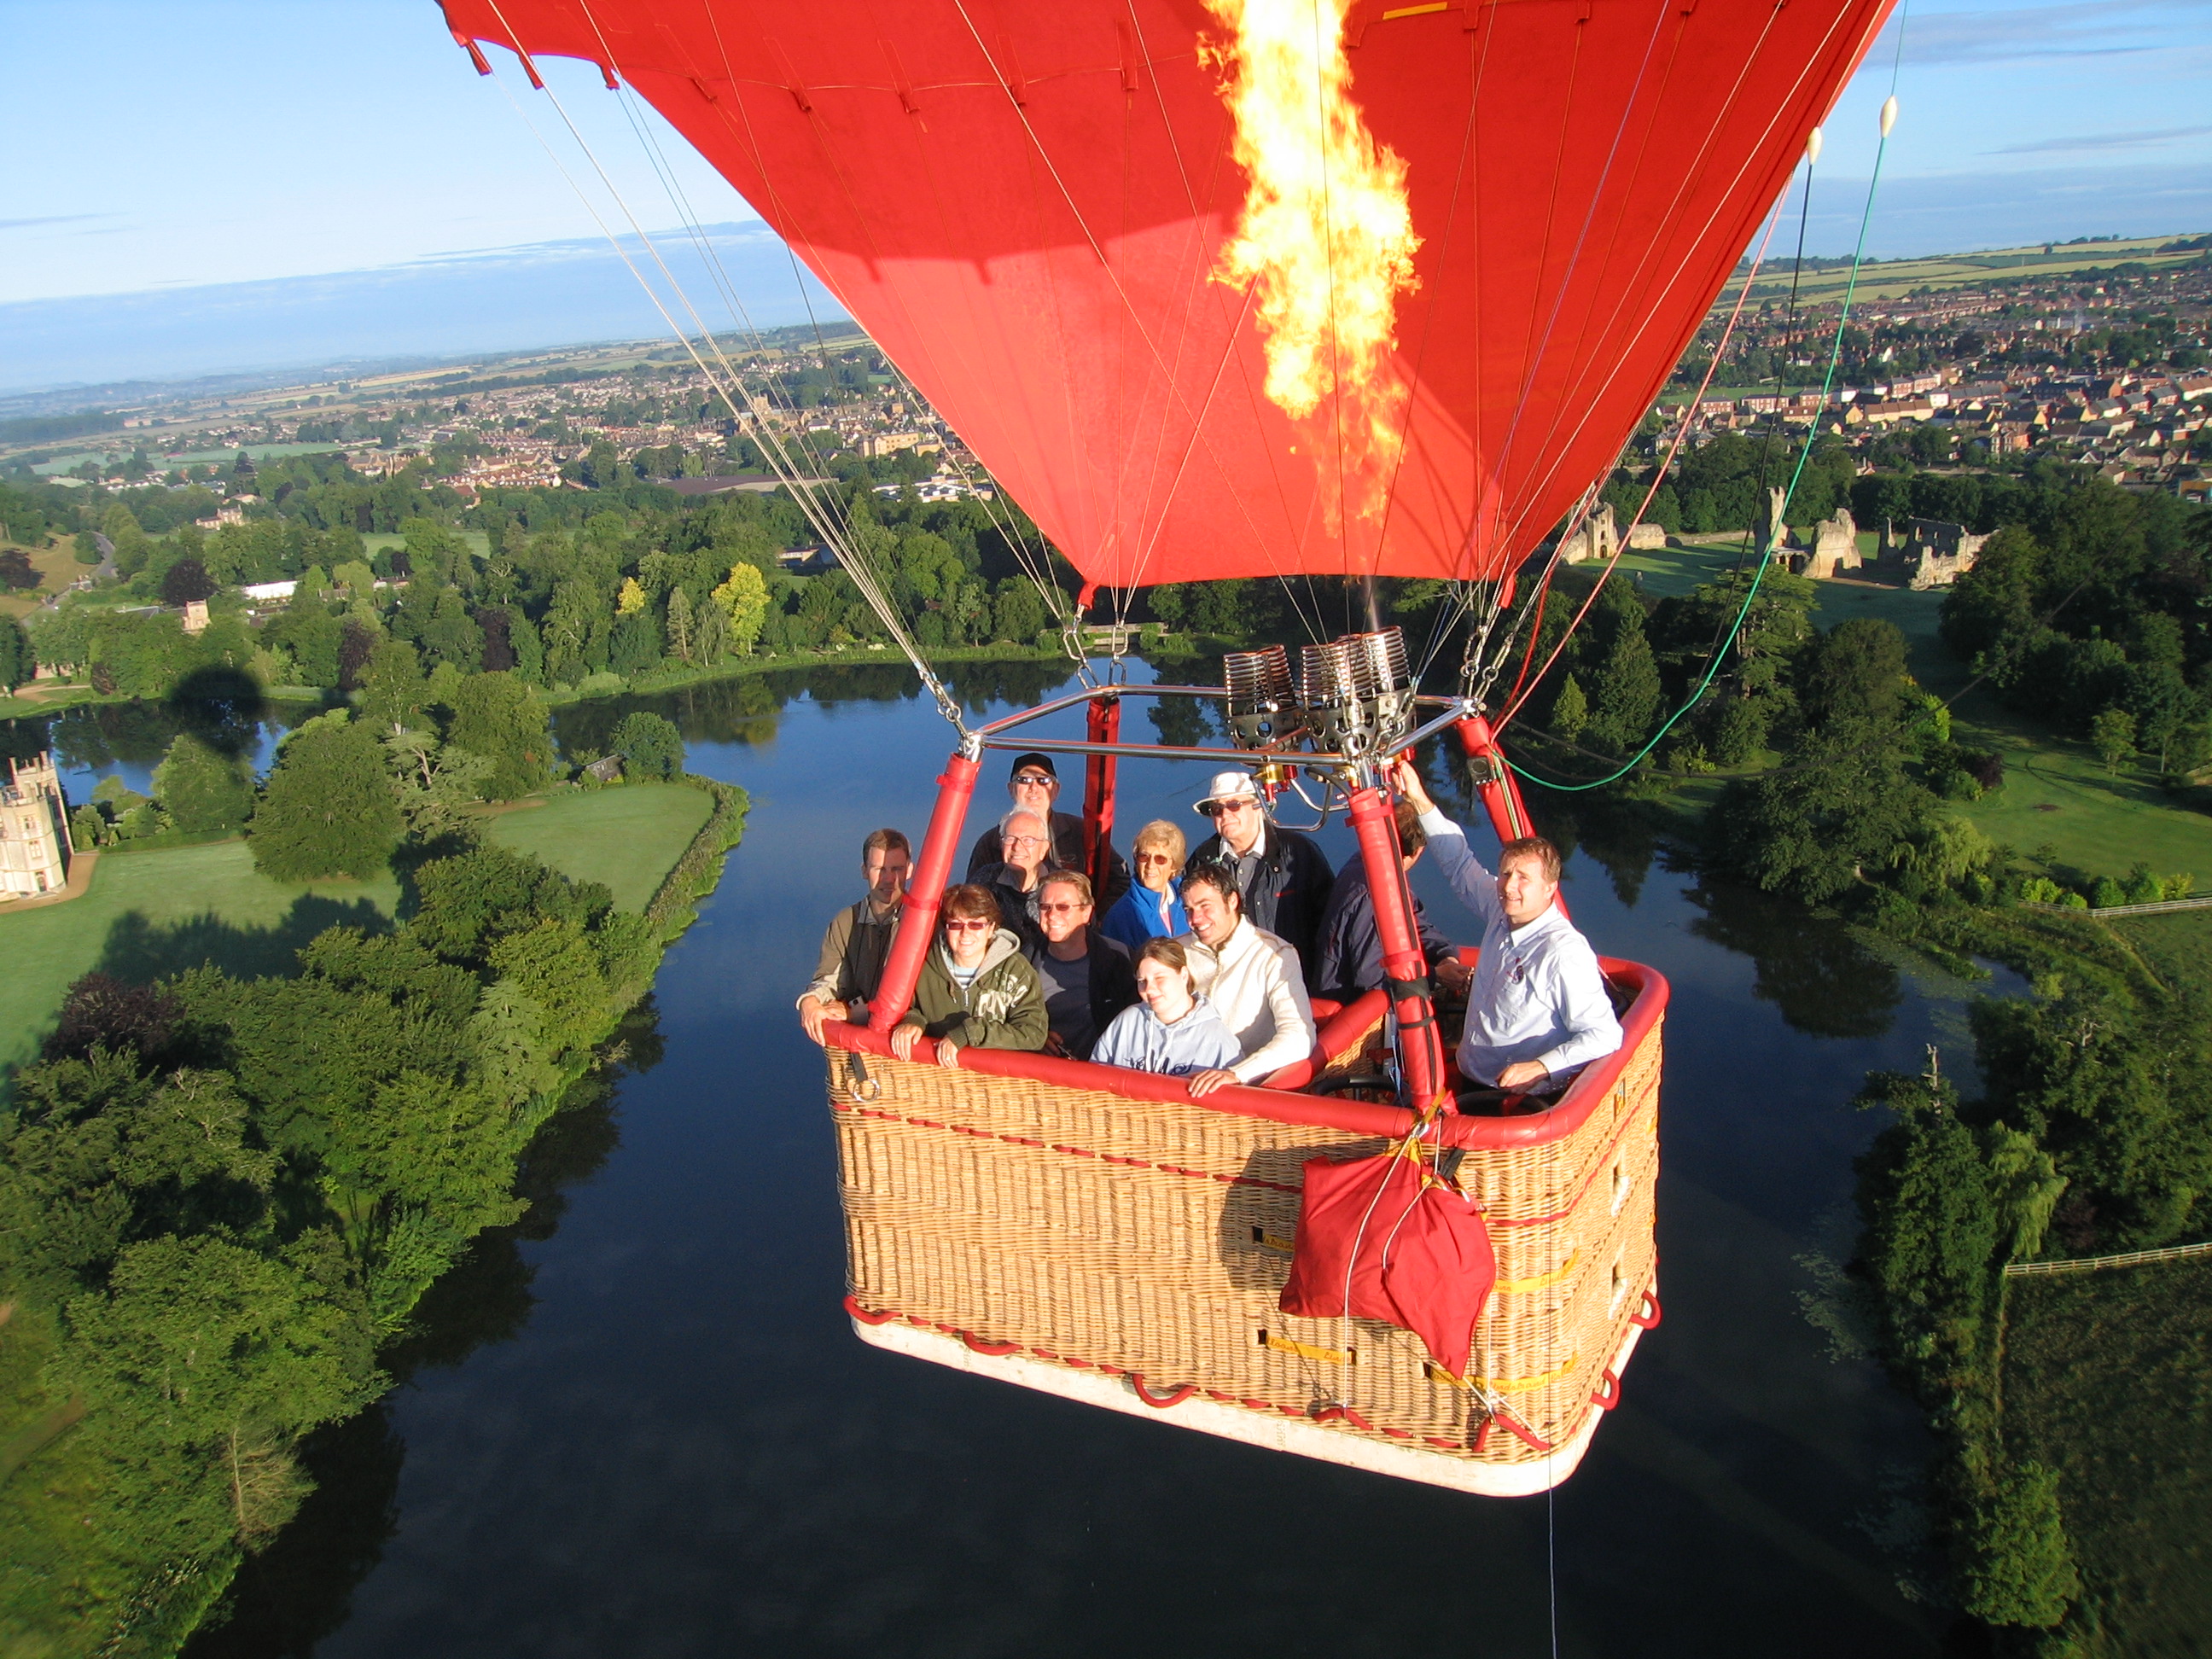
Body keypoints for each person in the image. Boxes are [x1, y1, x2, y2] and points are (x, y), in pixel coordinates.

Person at [1391, 760, 1621, 1097]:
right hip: (1474, 1078)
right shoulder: (1503, 912)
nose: (1509, 886)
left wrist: (1542, 1065)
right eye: (1507, 873)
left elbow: (1605, 1035)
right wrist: (1419, 800)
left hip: (1515, 1096)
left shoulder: (1563, 953)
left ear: (1550, 888)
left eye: (1524, 878)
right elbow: (1459, 863)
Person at [1312, 798, 1475, 1006]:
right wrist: (1435, 975)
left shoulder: (1370, 866)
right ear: (1419, 850)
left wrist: (1445, 955)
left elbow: (1412, 923)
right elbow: (1369, 974)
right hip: (1349, 1006)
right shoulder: (1373, 893)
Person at [1176, 863, 1317, 1097]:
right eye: (1188, 909)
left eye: (1204, 907)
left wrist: (1237, 1073)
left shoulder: (1275, 955)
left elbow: (1300, 1036)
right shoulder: (1176, 951)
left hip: (1243, 1093)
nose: (1195, 919)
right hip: (1178, 1085)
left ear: (1232, 901)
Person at [1186, 771, 1335, 981]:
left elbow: (1330, 926)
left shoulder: (1298, 853)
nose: (1225, 814)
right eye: (1217, 809)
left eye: (1234, 805)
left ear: (1259, 807)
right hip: (1227, 989)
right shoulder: (1201, 861)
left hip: (1293, 981)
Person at [890, 884, 1049, 1067]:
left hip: (998, 1081)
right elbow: (905, 1007)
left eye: (976, 925)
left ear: (991, 928)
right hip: (936, 1078)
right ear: (946, 928)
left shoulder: (1016, 970)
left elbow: (1033, 1033)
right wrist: (912, 1021)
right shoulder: (922, 966)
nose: (965, 934)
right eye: (956, 925)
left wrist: (970, 1033)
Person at [966, 751, 1129, 902]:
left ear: (1056, 790)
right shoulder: (990, 842)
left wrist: (1094, 918)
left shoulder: (1082, 832)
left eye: (1043, 780)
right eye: (1024, 780)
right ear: (1011, 789)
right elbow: (973, 898)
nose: (1034, 788)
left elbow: (1120, 881)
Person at [798, 827, 911, 1043]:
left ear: (910, 870)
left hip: (903, 1044)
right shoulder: (846, 921)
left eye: (896, 869)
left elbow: (920, 1000)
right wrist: (809, 1002)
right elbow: (830, 979)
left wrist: (853, 1012)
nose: (889, 879)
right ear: (864, 871)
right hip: (861, 1045)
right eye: (879, 869)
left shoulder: (923, 925)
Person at [1092, 937, 1241, 1079]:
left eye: (1159, 978)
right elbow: (1096, 1076)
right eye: (1142, 981)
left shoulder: (1215, 1038)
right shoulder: (1126, 1023)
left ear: (1183, 975)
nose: (1149, 989)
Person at [1027, 869, 1138, 1059]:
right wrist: (1033, 1038)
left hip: (1100, 1075)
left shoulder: (1119, 960)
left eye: (1063, 907)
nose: (1052, 915)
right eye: (1045, 907)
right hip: (1037, 1078)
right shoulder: (1024, 960)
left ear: (1086, 913)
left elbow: (1138, 1023)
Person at [974, 806, 1055, 950]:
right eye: (1010, 839)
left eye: (1028, 840)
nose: (1017, 847)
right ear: (1001, 844)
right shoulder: (984, 880)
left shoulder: (1061, 886)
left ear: (1044, 849)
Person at [1101, 819, 1189, 951]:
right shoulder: (1121, 916)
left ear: (1174, 866)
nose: (1150, 865)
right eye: (1144, 857)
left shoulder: (1189, 901)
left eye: (1160, 859)